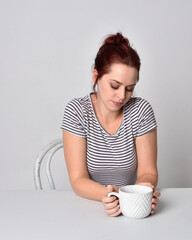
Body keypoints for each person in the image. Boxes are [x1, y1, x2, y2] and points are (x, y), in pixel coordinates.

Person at [61, 32, 160, 217]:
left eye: (129, 88)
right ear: (96, 76)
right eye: (115, 86)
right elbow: (78, 179)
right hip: (89, 208)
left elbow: (148, 172)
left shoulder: (141, 111)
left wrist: (142, 192)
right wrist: (110, 196)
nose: (122, 96)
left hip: (129, 208)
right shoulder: (77, 111)